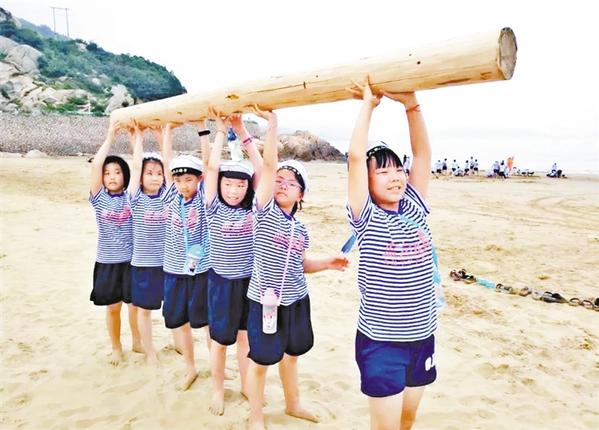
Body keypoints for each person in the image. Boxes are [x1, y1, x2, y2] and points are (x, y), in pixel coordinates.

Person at [245, 106, 348, 430]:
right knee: (261, 360)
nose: (282, 185)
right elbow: (268, 165)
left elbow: (300, 264)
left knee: (292, 356)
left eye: (291, 183)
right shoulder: (263, 211)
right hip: (265, 301)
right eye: (278, 181)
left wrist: (327, 263)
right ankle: (255, 415)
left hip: (296, 300)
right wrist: (272, 125)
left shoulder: (301, 229)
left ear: (302, 193)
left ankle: (293, 404)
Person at [346, 77, 437, 430]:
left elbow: (423, 155)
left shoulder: (414, 204)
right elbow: (356, 158)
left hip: (423, 336)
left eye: (398, 169)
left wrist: (412, 106)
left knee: (407, 418)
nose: (395, 177)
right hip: (381, 342)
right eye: (383, 171)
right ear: (368, 182)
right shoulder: (367, 217)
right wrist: (368, 106)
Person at [203, 109, 264, 416]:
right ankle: (217, 389)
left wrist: (242, 131)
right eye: (229, 184)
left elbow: (262, 170)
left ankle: (245, 384)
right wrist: (220, 130)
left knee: (245, 338)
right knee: (220, 340)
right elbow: (212, 167)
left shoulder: (254, 208)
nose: (234, 190)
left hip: (248, 283)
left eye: (240, 186)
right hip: (221, 283)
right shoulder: (212, 206)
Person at [89, 120, 141, 365]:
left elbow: (138, 166)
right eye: (107, 173)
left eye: (117, 172)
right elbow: (96, 164)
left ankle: (138, 342)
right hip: (107, 262)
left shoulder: (131, 197)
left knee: (134, 306)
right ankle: (116, 347)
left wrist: (135, 139)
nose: (111, 176)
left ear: (124, 176)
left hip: (131, 261)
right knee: (113, 308)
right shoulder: (98, 198)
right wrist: (111, 135)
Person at [161, 138, 211, 390]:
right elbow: (167, 160)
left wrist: (204, 131)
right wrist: (167, 131)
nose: (183, 185)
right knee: (179, 321)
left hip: (201, 269)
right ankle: (190, 367)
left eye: (189, 180)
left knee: (208, 323)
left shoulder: (204, 198)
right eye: (178, 180)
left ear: (199, 179)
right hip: (174, 270)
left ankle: (216, 365)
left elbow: (209, 164)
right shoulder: (171, 196)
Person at [127, 124, 173, 365]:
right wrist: (139, 138)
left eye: (158, 173)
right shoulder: (135, 198)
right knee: (144, 309)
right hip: (143, 264)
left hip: (168, 263)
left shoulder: (168, 196)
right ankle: (149, 350)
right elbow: (136, 167)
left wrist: (162, 136)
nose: (155, 177)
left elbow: (170, 166)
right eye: (150, 173)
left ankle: (178, 343)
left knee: (172, 307)